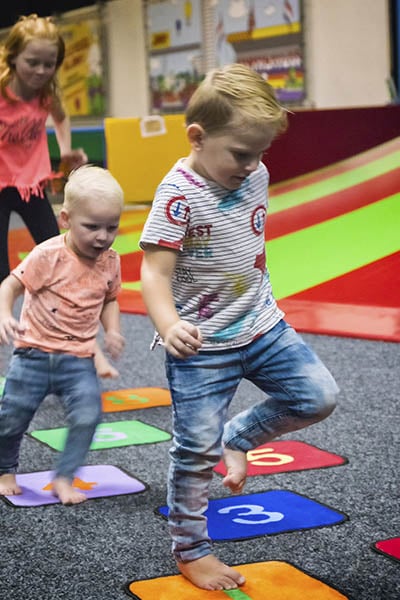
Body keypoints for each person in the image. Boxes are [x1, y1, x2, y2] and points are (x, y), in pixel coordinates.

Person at [140, 63, 339, 591]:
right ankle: (191, 548)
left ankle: (240, 435)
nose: (252, 167)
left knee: (318, 396)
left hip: (262, 323)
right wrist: (170, 322)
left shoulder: (256, 175)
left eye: (260, 155)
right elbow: (153, 274)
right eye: (241, 155)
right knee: (195, 449)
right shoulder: (176, 195)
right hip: (201, 346)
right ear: (197, 138)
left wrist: (254, 303)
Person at [0, 14, 118, 378]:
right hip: (1, 185)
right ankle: (12, 329)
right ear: (13, 58)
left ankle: (82, 341)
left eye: (48, 64)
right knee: (5, 272)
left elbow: (62, 118)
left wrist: (65, 151)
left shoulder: (47, 93)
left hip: (34, 184)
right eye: (32, 62)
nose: (40, 71)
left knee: (66, 255)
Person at [0, 165, 125, 505]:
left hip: (77, 358)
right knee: (11, 418)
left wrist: (112, 330)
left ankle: (65, 477)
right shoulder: (48, 255)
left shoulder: (110, 261)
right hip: (33, 354)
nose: (102, 236)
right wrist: (3, 315)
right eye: (92, 227)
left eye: (111, 227)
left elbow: (110, 299)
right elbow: (9, 286)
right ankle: (5, 468)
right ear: (66, 218)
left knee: (88, 415)